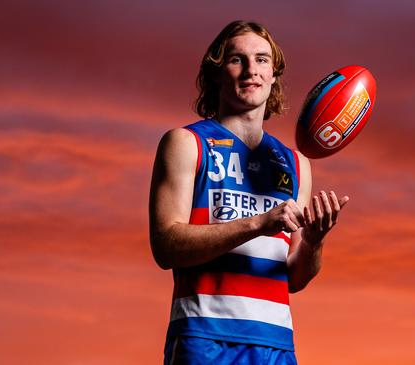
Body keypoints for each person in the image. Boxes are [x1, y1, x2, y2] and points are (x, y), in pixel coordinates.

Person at [149, 20, 349, 364]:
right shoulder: (186, 143)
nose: (251, 70)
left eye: (261, 60)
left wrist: (314, 242)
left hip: (275, 343)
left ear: (274, 76)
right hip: (204, 338)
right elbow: (166, 247)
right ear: (216, 73)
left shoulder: (296, 164)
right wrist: (257, 223)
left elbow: (294, 278)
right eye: (236, 59)